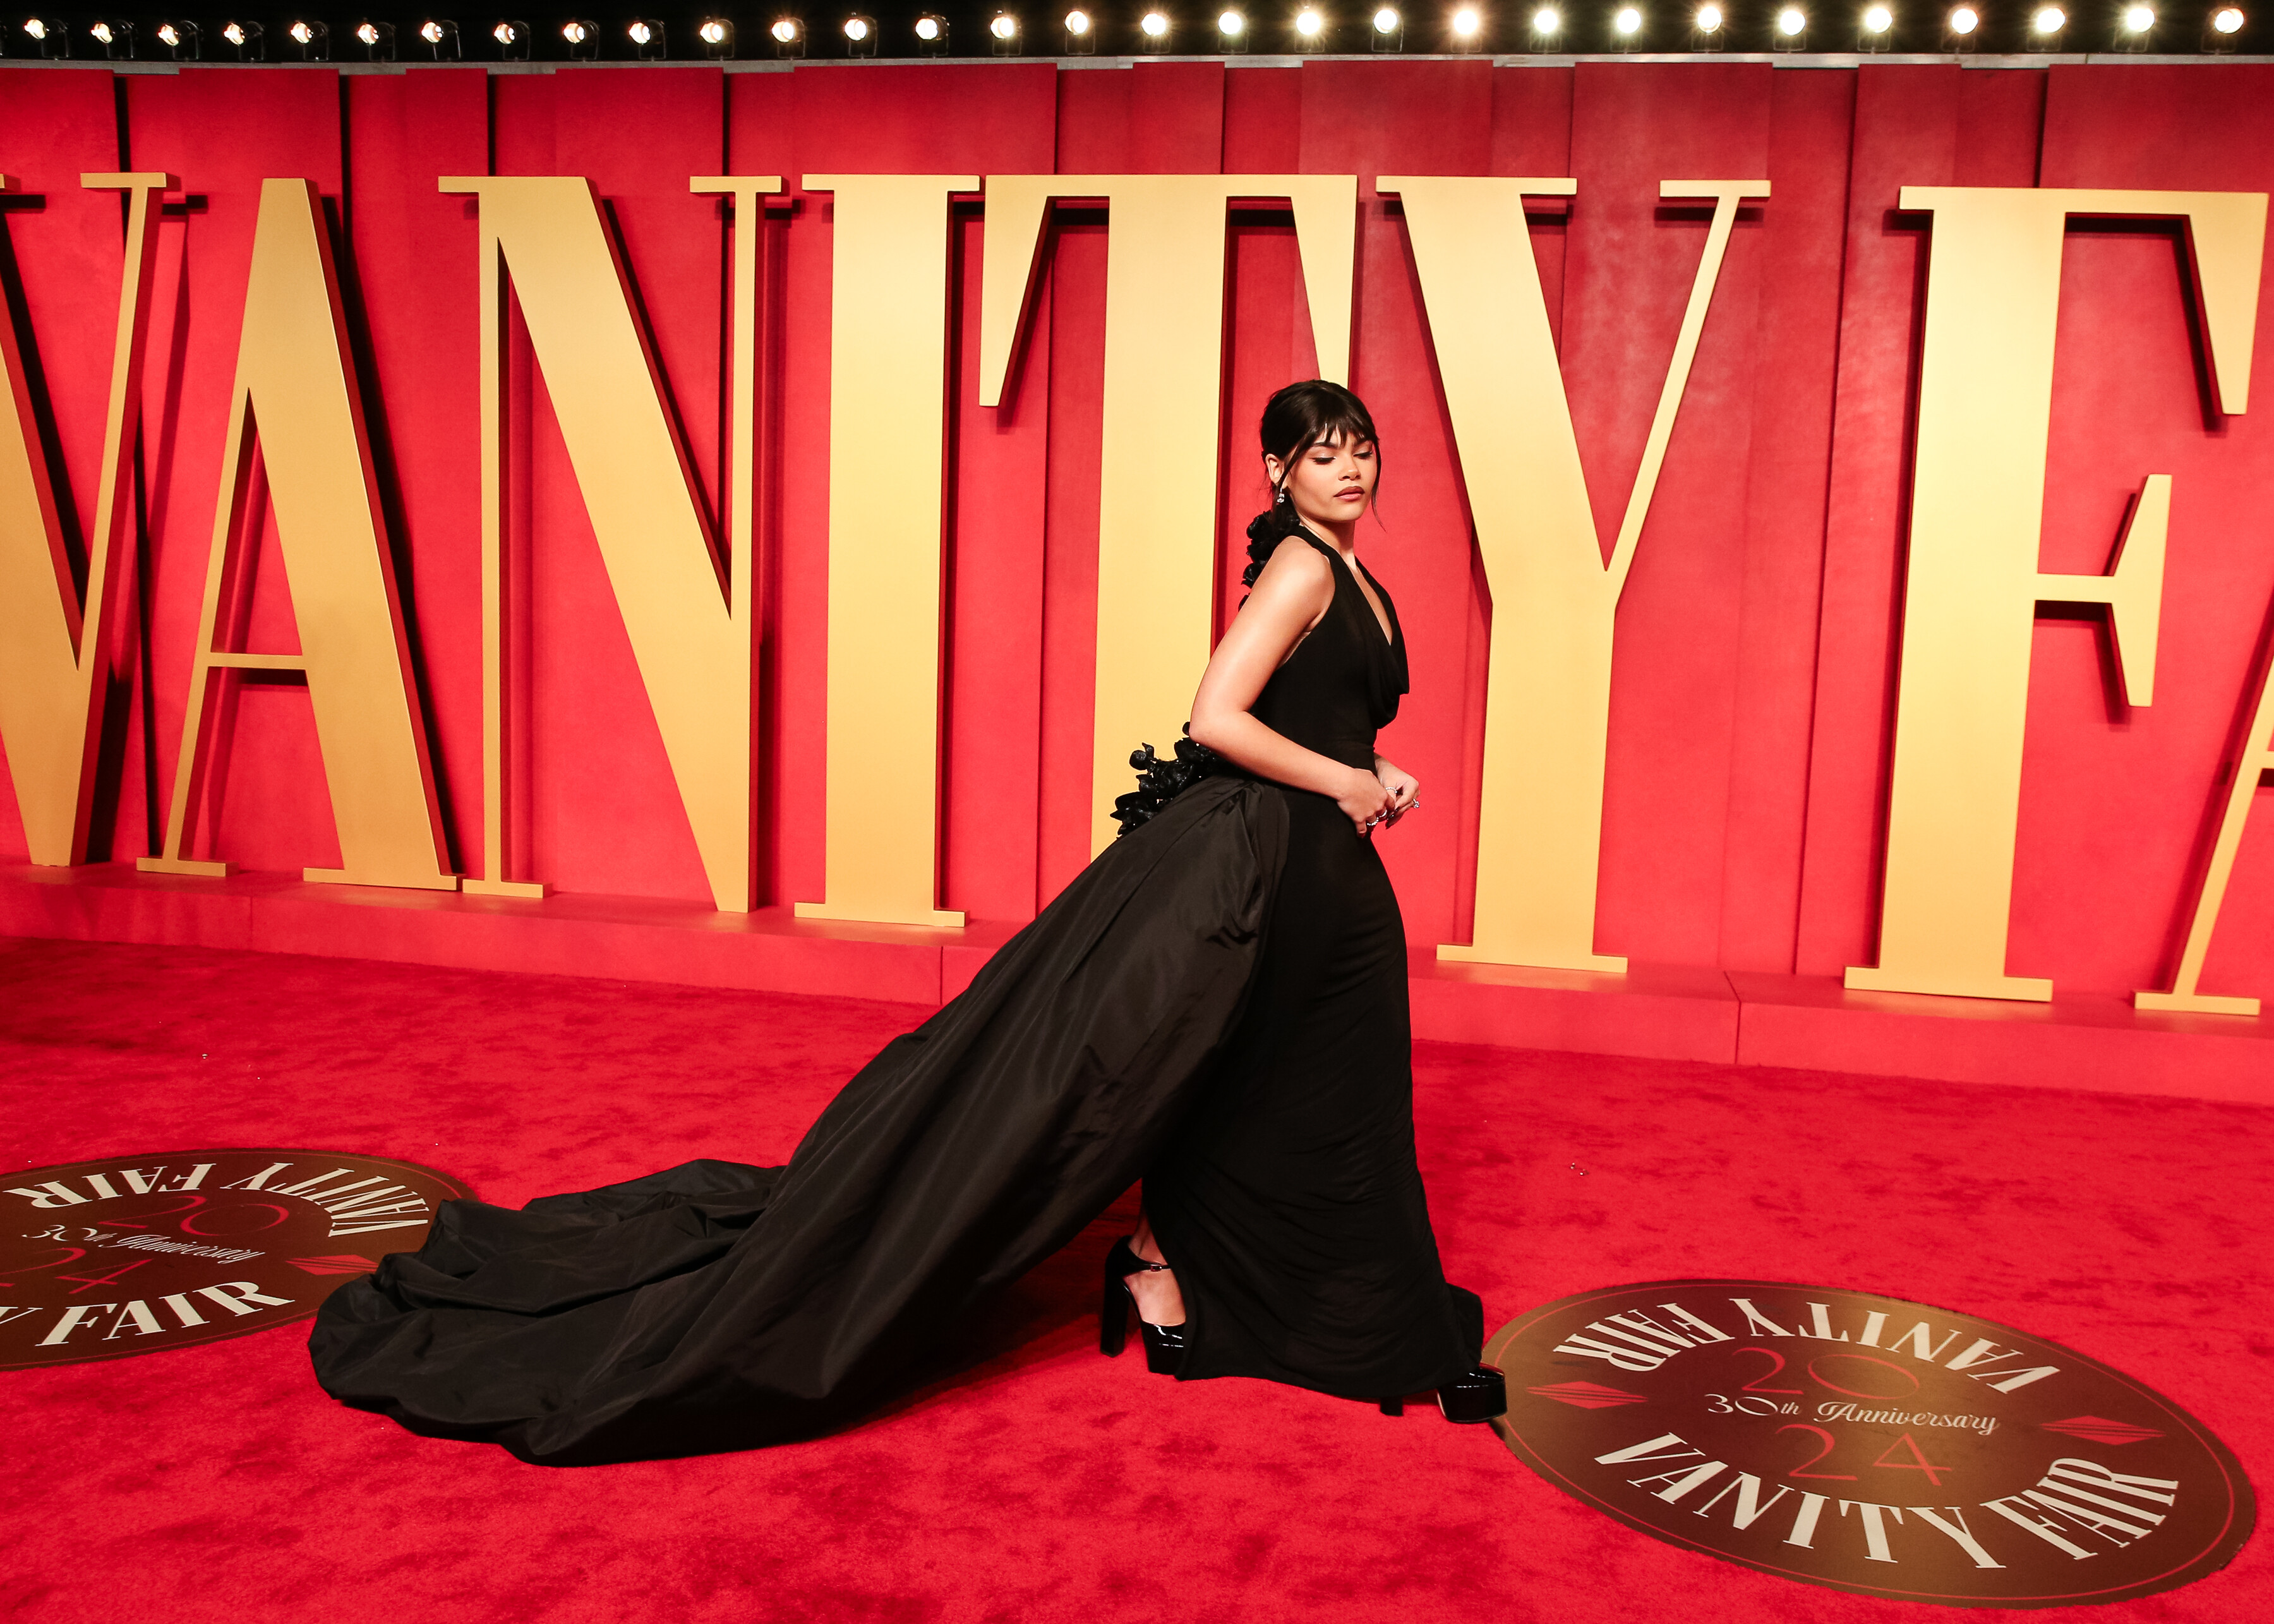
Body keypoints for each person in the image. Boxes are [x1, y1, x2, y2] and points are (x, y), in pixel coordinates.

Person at [308, 380, 1503, 1466]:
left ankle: (1165, 1262)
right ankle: (1249, 1291)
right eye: (1323, 454)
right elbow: (1214, 719)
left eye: (1362, 449)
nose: (1350, 469)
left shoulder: (1352, 573)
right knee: (1226, 1084)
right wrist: (1347, 782)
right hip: (1264, 865)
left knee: (1255, 1081)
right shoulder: (1300, 567)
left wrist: (1371, 767)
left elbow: (1313, 720)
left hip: (1313, 869)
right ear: (1279, 472)